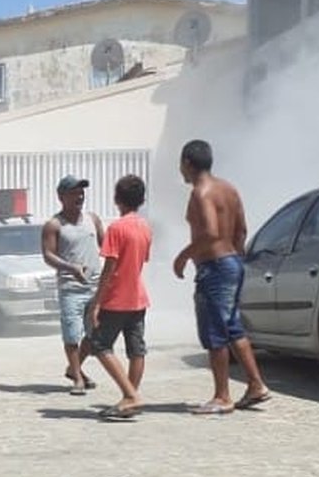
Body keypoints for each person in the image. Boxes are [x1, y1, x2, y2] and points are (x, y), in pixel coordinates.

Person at [173, 139, 272, 414]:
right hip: (232, 262)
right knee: (232, 327)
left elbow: (210, 232)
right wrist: (234, 257)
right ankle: (256, 384)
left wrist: (183, 256)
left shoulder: (200, 192)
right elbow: (241, 229)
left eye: (180, 164)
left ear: (187, 164)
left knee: (215, 332)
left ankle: (222, 396)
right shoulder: (228, 189)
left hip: (215, 267)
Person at [89, 175, 153, 419]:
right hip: (138, 297)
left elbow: (110, 268)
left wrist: (97, 302)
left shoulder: (116, 228)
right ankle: (130, 397)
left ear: (117, 198)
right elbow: (142, 260)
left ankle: (131, 395)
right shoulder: (145, 227)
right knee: (136, 349)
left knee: (100, 345)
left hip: (117, 298)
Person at [42, 175, 104, 395]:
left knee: (96, 334)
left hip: (95, 287)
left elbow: (105, 247)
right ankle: (78, 378)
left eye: (81, 192)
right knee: (71, 335)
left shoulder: (93, 220)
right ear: (61, 197)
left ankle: (73, 368)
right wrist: (70, 268)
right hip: (71, 289)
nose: (79, 196)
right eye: (74, 192)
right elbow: (48, 255)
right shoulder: (54, 225)